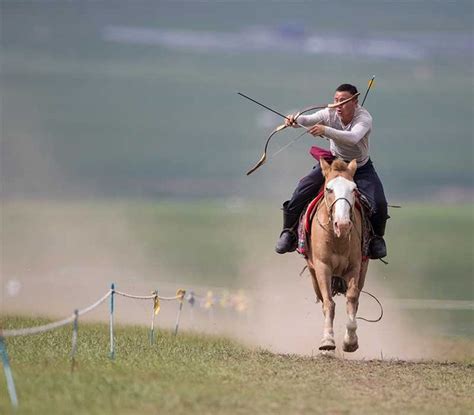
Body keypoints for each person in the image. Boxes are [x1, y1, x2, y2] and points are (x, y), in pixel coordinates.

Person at [275, 83, 388, 259]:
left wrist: (325, 130)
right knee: (301, 190)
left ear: (355, 102)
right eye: (335, 100)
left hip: (360, 168)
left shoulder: (364, 118)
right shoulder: (329, 113)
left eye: (343, 101)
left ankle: (376, 239)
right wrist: (294, 120)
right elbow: (307, 120)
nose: (338, 105)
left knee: (379, 203)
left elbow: (353, 138)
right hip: (333, 165)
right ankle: (289, 232)